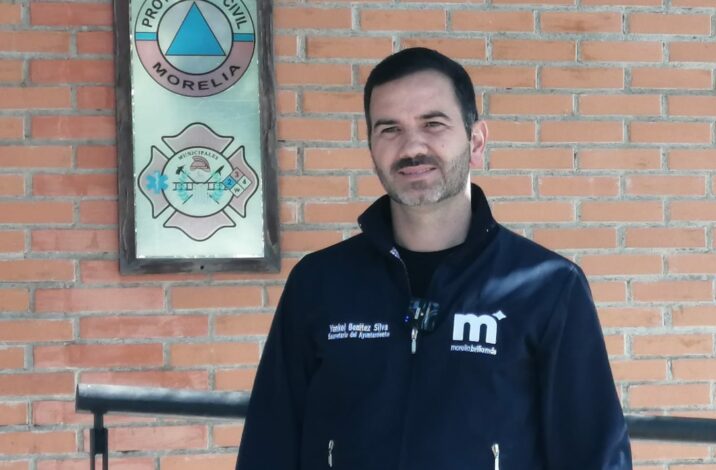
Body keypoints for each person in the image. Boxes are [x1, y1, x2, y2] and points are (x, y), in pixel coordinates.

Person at [236, 47, 632, 469]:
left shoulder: (547, 286)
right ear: (371, 147)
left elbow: (593, 454)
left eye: (433, 124)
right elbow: (269, 443)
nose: (412, 146)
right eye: (390, 129)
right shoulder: (318, 282)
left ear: (475, 141)